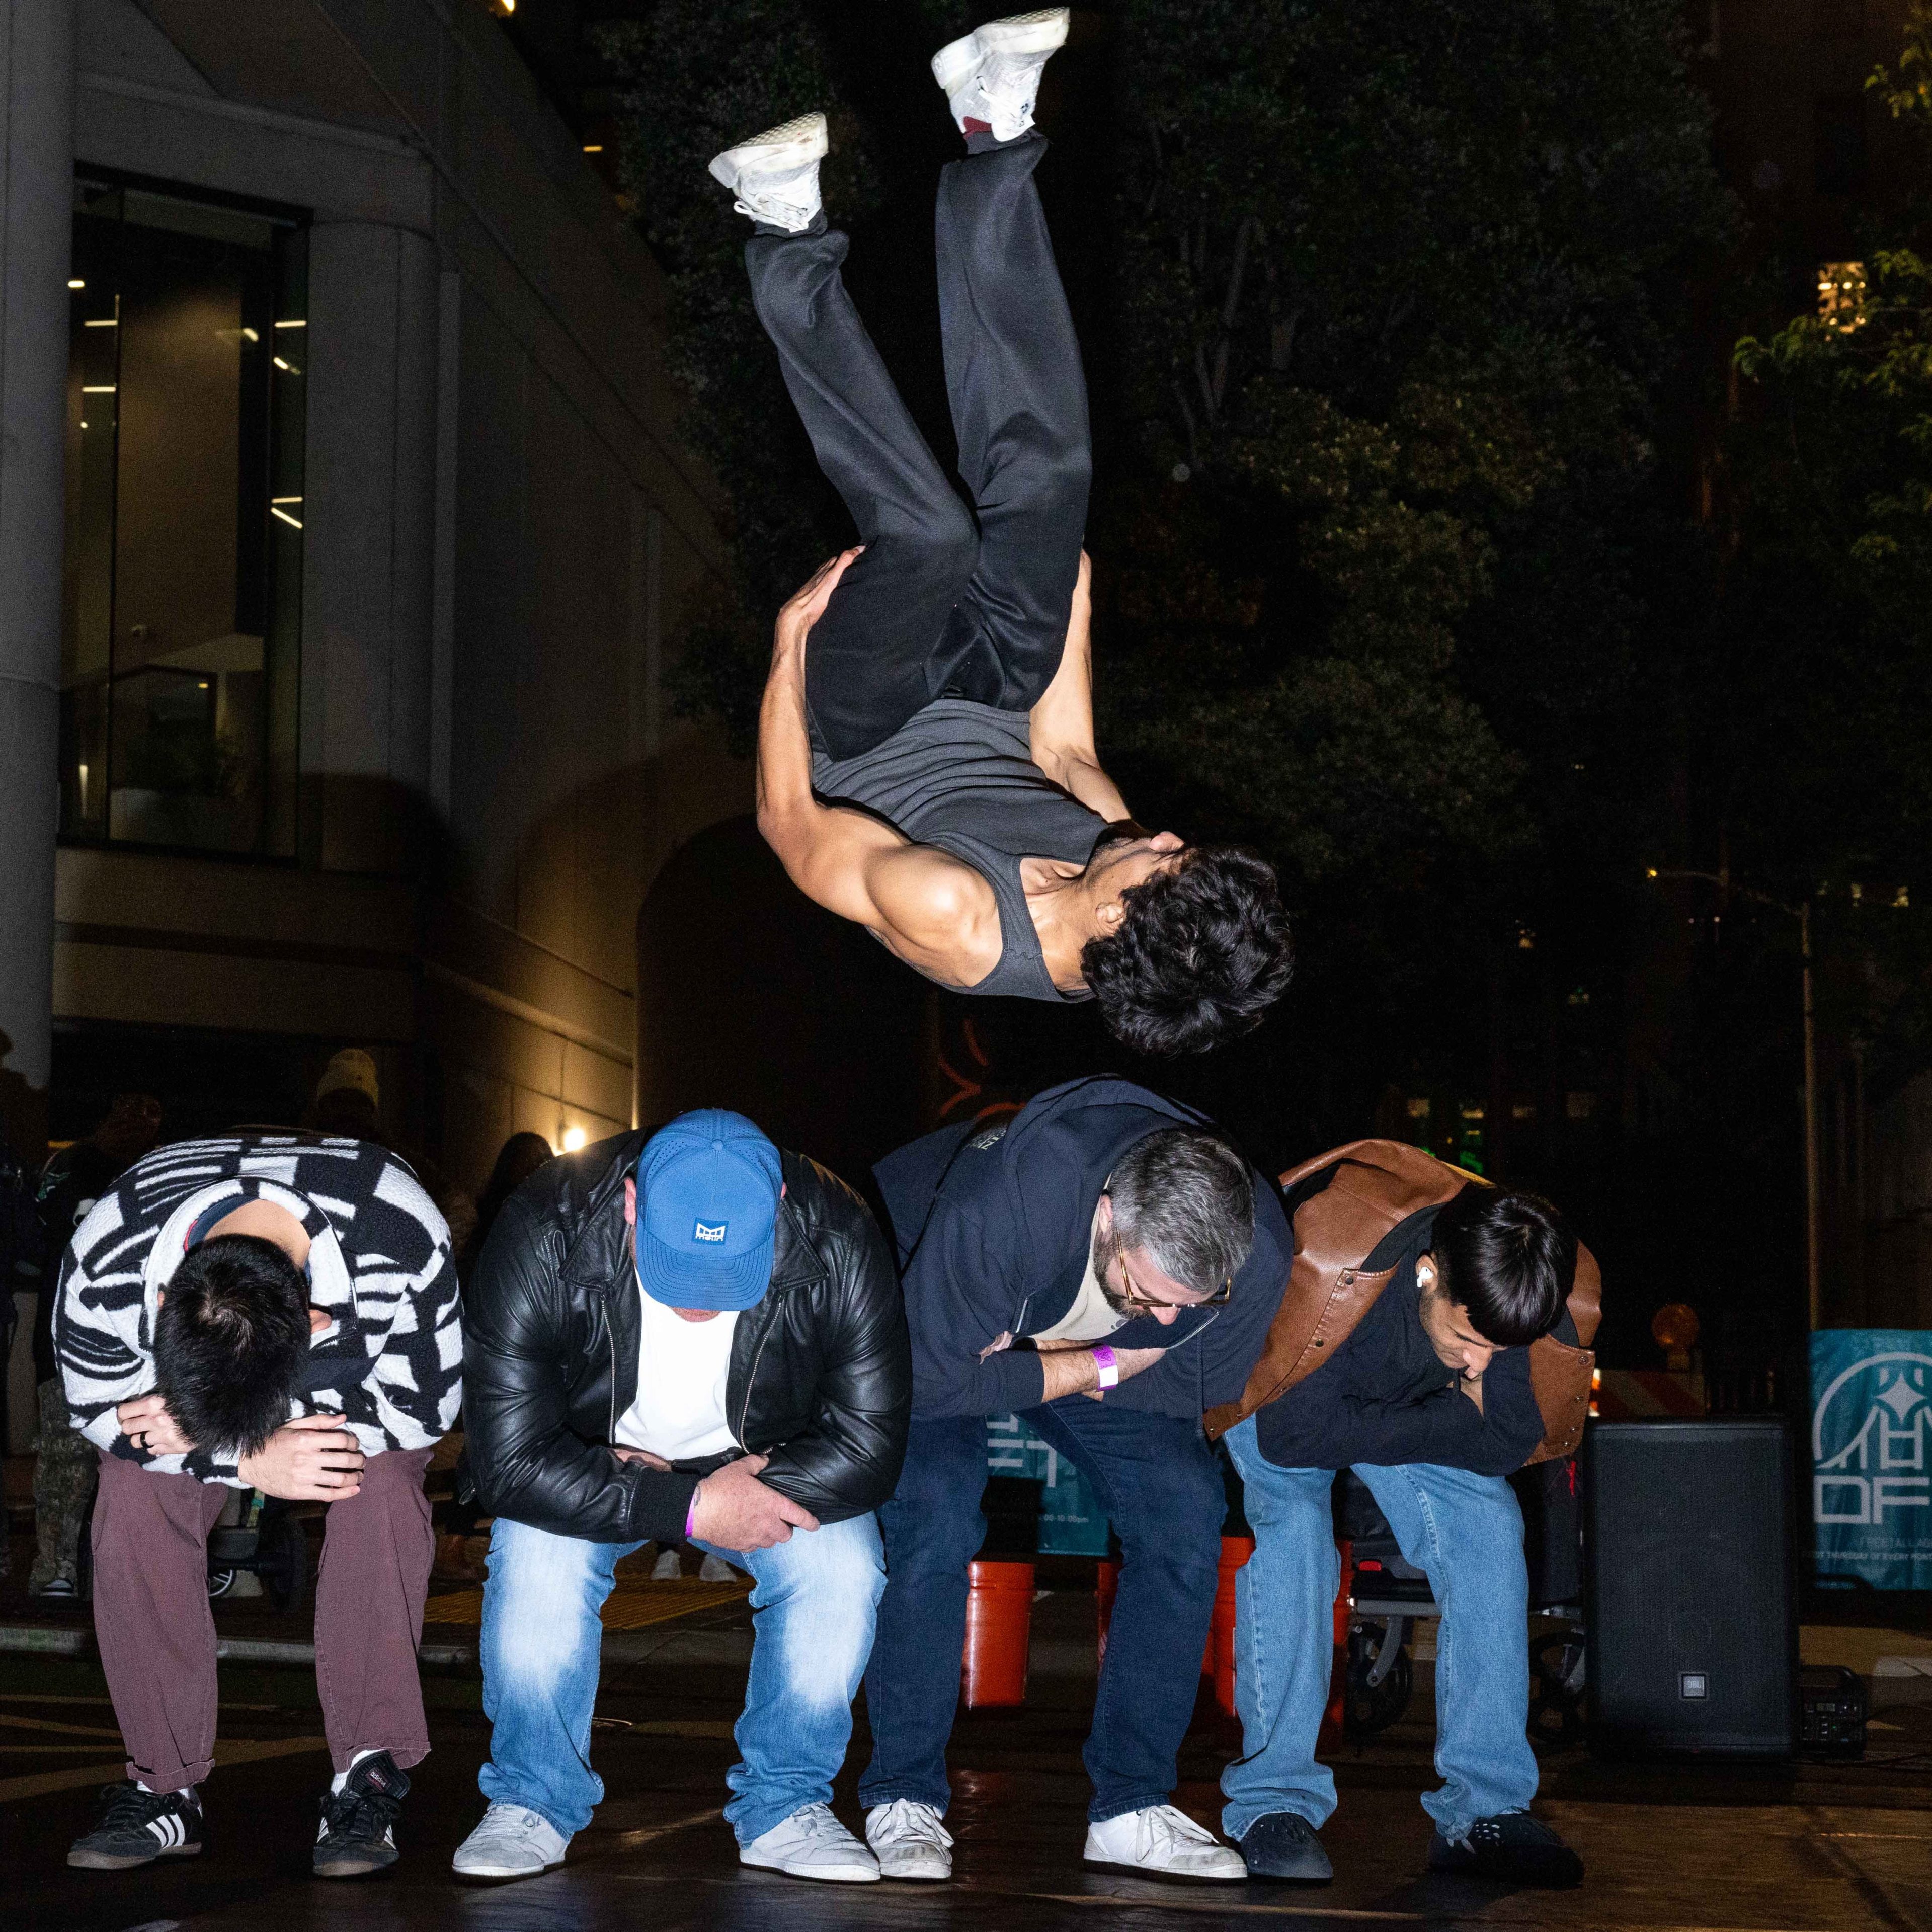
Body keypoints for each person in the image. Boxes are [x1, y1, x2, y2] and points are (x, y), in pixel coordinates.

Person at [712, 10, 1293, 1056]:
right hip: (991, 678)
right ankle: (992, 125)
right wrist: (1057, 572)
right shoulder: (1120, 859)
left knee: (928, 532)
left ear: (1116, 918)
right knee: (1054, 470)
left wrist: (789, 656)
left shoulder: (962, 921)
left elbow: (790, 826)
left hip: (864, 715)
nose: (1160, 833)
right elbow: (1063, 743)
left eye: (1162, 859)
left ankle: (784, 232)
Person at [454, 1110, 911, 1884]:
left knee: (844, 1566)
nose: (700, 1302)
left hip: (764, 1465)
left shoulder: (837, 1231)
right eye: (674, 1269)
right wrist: (686, 1506)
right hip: (597, 1464)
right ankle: (533, 1797)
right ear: (630, 1205)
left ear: (775, 1215)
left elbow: (872, 1447)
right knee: (536, 1559)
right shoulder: (546, 1224)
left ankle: (786, 1804)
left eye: (732, 1273)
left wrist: (740, 1491)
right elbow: (503, 1461)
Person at [857, 1076, 1290, 1882]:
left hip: (1038, 1355)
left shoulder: (1259, 1254)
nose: (1164, 1319)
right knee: (941, 1511)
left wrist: (1056, 1367)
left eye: (1187, 1306)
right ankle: (902, 1793)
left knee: (1185, 1511)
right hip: (925, 1297)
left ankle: (1131, 1806)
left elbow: (1190, 1391)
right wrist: (1090, 1362)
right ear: (1107, 1216)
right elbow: (928, 1380)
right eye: (1145, 1292)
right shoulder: (1005, 1206)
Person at [53, 1133, 462, 1877]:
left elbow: (422, 1414)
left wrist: (263, 1436)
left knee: (383, 1487)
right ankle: (162, 1787)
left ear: (315, 1326)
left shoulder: (401, 1240)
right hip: (211, 1380)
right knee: (132, 1489)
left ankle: (367, 1774)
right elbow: (95, 1409)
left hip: (349, 1394)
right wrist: (242, 1454)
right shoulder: (106, 1258)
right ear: (159, 1306)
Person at [1202, 1140, 1601, 1889]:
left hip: (1379, 1406)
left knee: (1488, 1526)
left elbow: (1508, 1440)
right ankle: (1272, 1803)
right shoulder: (1339, 1262)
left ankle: (1483, 1810)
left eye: (1498, 1350)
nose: (1482, 1364)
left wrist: (1444, 1408)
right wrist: (1458, 1415)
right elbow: (1295, 1438)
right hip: (1281, 1378)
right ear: (1428, 1273)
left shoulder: (1527, 1282)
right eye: (1467, 1341)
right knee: (1296, 1529)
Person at [26, 1093, 164, 1597]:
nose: (138, 1122)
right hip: (68, 1341)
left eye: (150, 1114)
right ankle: (57, 1566)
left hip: (146, 1345)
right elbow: (36, 1232)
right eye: (125, 1110)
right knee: (67, 1455)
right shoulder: (69, 1167)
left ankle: (130, 1571)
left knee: (145, 1455)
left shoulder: (164, 1168)